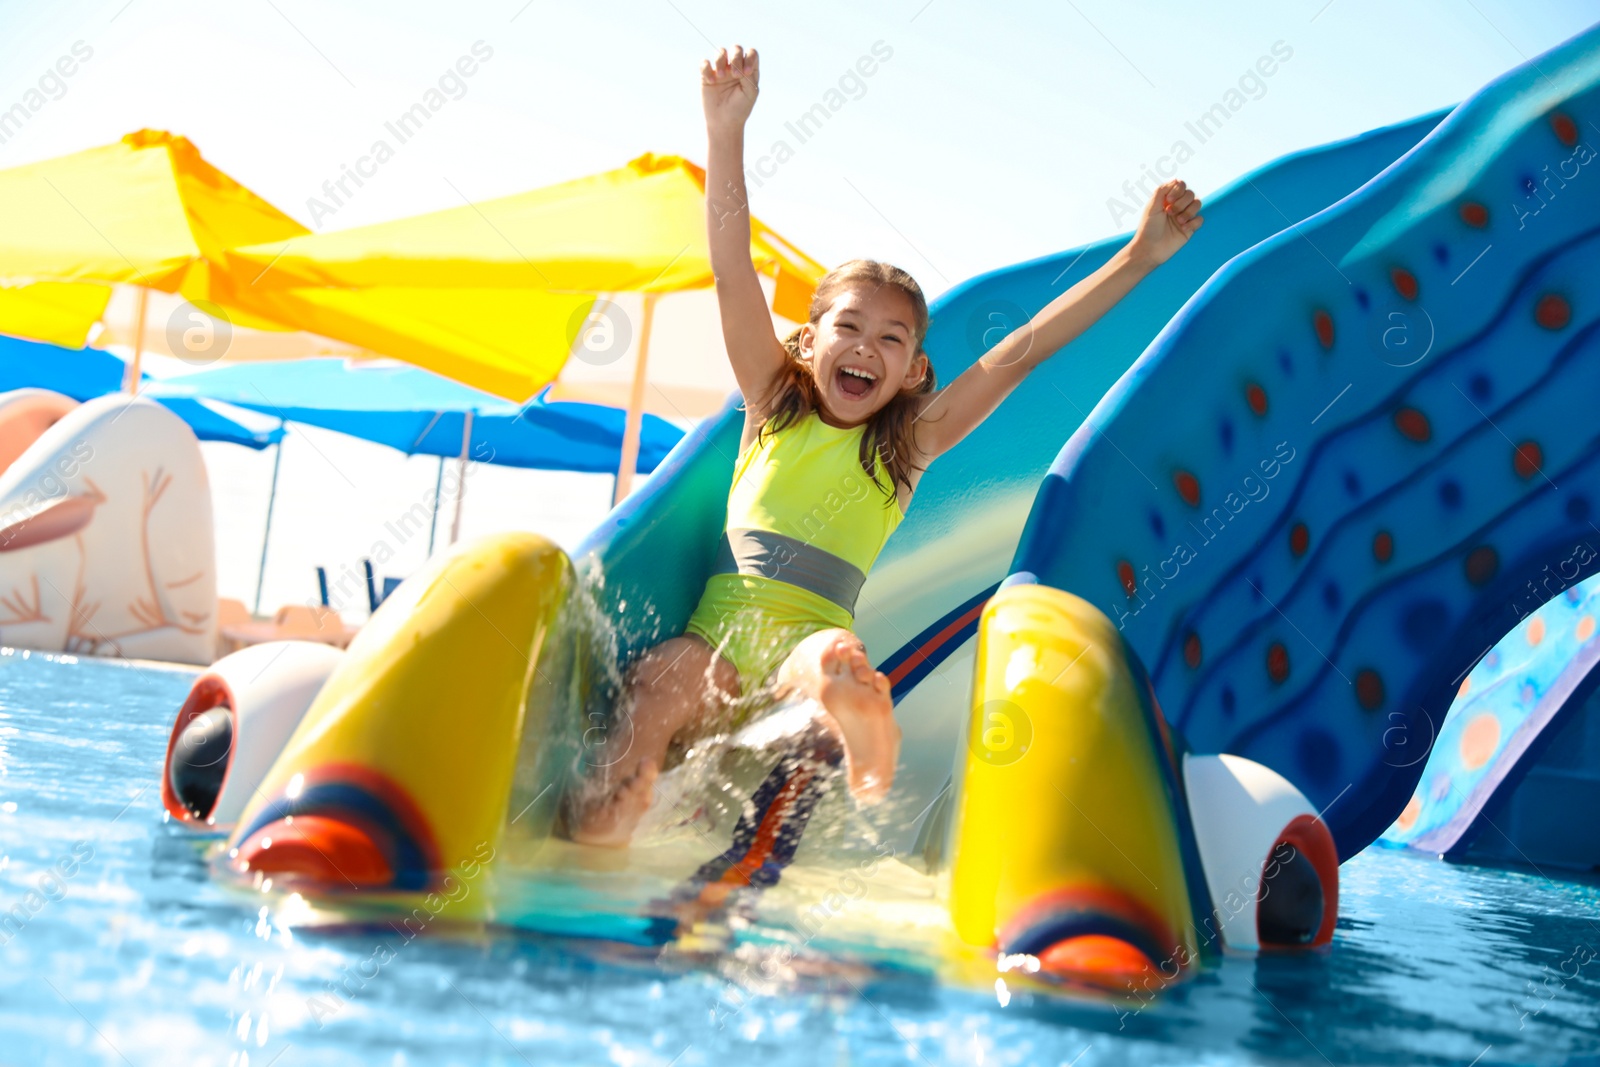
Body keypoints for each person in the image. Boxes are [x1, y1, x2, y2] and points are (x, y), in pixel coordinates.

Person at [571, 44, 1204, 846]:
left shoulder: (907, 446)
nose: (866, 346)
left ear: (915, 370)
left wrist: (1139, 256)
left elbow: (1028, 349)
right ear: (808, 342)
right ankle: (595, 847)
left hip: (810, 641)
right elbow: (732, 273)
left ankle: (852, 761)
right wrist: (724, 130)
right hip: (719, 636)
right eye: (849, 327)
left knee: (836, 668)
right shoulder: (773, 403)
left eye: (891, 337)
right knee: (656, 685)